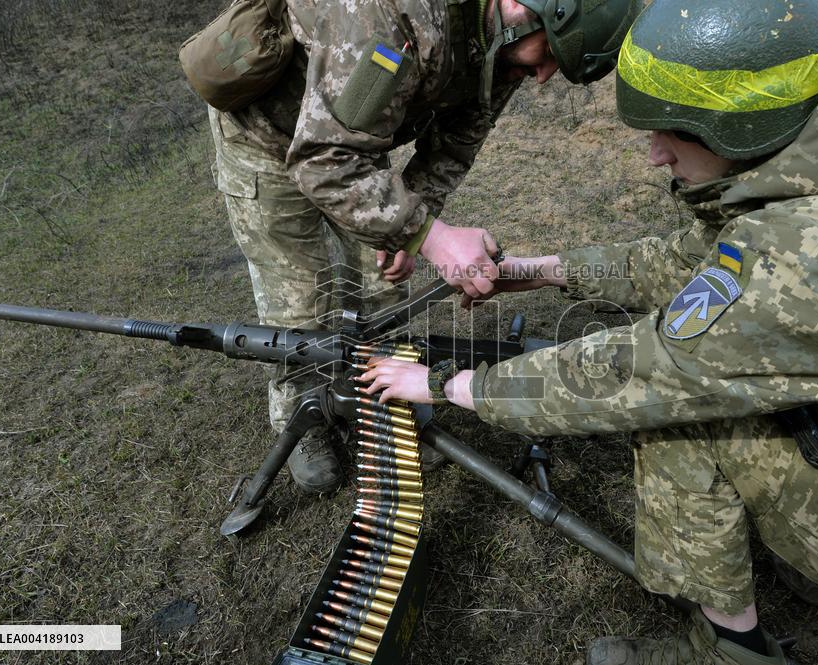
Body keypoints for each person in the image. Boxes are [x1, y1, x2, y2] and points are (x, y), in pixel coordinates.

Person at [359, 0, 818, 662]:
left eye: (671, 131)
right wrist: (540, 271)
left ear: (737, 126)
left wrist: (449, 384)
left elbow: (643, 370)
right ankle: (807, 551)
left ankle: (729, 650)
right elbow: (692, 263)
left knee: (675, 418)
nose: (652, 154)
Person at [208, 0, 640, 492]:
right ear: (526, 7)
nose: (542, 76)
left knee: (383, 287)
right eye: (551, 57)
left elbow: (458, 140)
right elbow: (323, 160)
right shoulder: (390, 13)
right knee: (299, 297)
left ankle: (384, 407)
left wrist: (413, 224)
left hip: (351, 146)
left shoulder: (504, 37)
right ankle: (303, 416)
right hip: (266, 138)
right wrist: (427, 235)